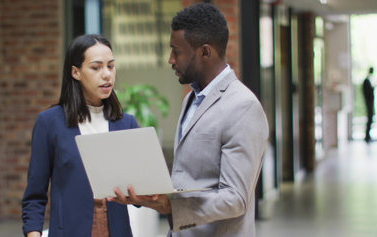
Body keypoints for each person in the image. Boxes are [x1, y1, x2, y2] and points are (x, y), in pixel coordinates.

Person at [109, 3, 269, 236]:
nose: (170, 60)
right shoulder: (191, 100)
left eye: (177, 51)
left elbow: (235, 199)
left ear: (205, 52)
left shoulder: (243, 107)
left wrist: (171, 207)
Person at [21, 34, 138, 237]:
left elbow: (140, 193)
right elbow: (34, 195)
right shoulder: (50, 123)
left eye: (111, 66)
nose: (107, 75)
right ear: (75, 72)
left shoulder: (126, 124)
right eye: (96, 67)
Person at [362, 67, 374, 142]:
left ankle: (368, 135)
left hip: (369, 102)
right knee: (369, 118)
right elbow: (368, 92)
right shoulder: (366, 81)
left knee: (370, 119)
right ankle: (367, 136)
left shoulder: (368, 80)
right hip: (368, 103)